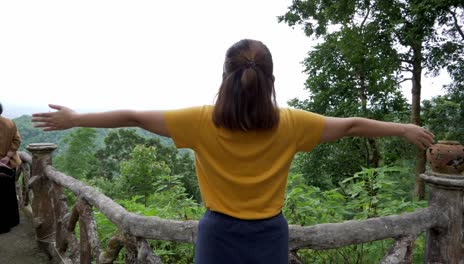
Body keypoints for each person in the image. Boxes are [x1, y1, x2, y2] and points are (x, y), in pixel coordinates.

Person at [32, 39, 434, 263]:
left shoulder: (201, 120)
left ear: (225, 77)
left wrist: (77, 118)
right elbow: (349, 126)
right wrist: (404, 128)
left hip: (218, 233)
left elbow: (135, 117)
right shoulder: (291, 123)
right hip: (270, 234)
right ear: (270, 79)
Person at [0, 102, 22, 234]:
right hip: (9, 164)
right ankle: (13, 220)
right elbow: (17, 140)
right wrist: (7, 157)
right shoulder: (9, 123)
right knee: (9, 193)